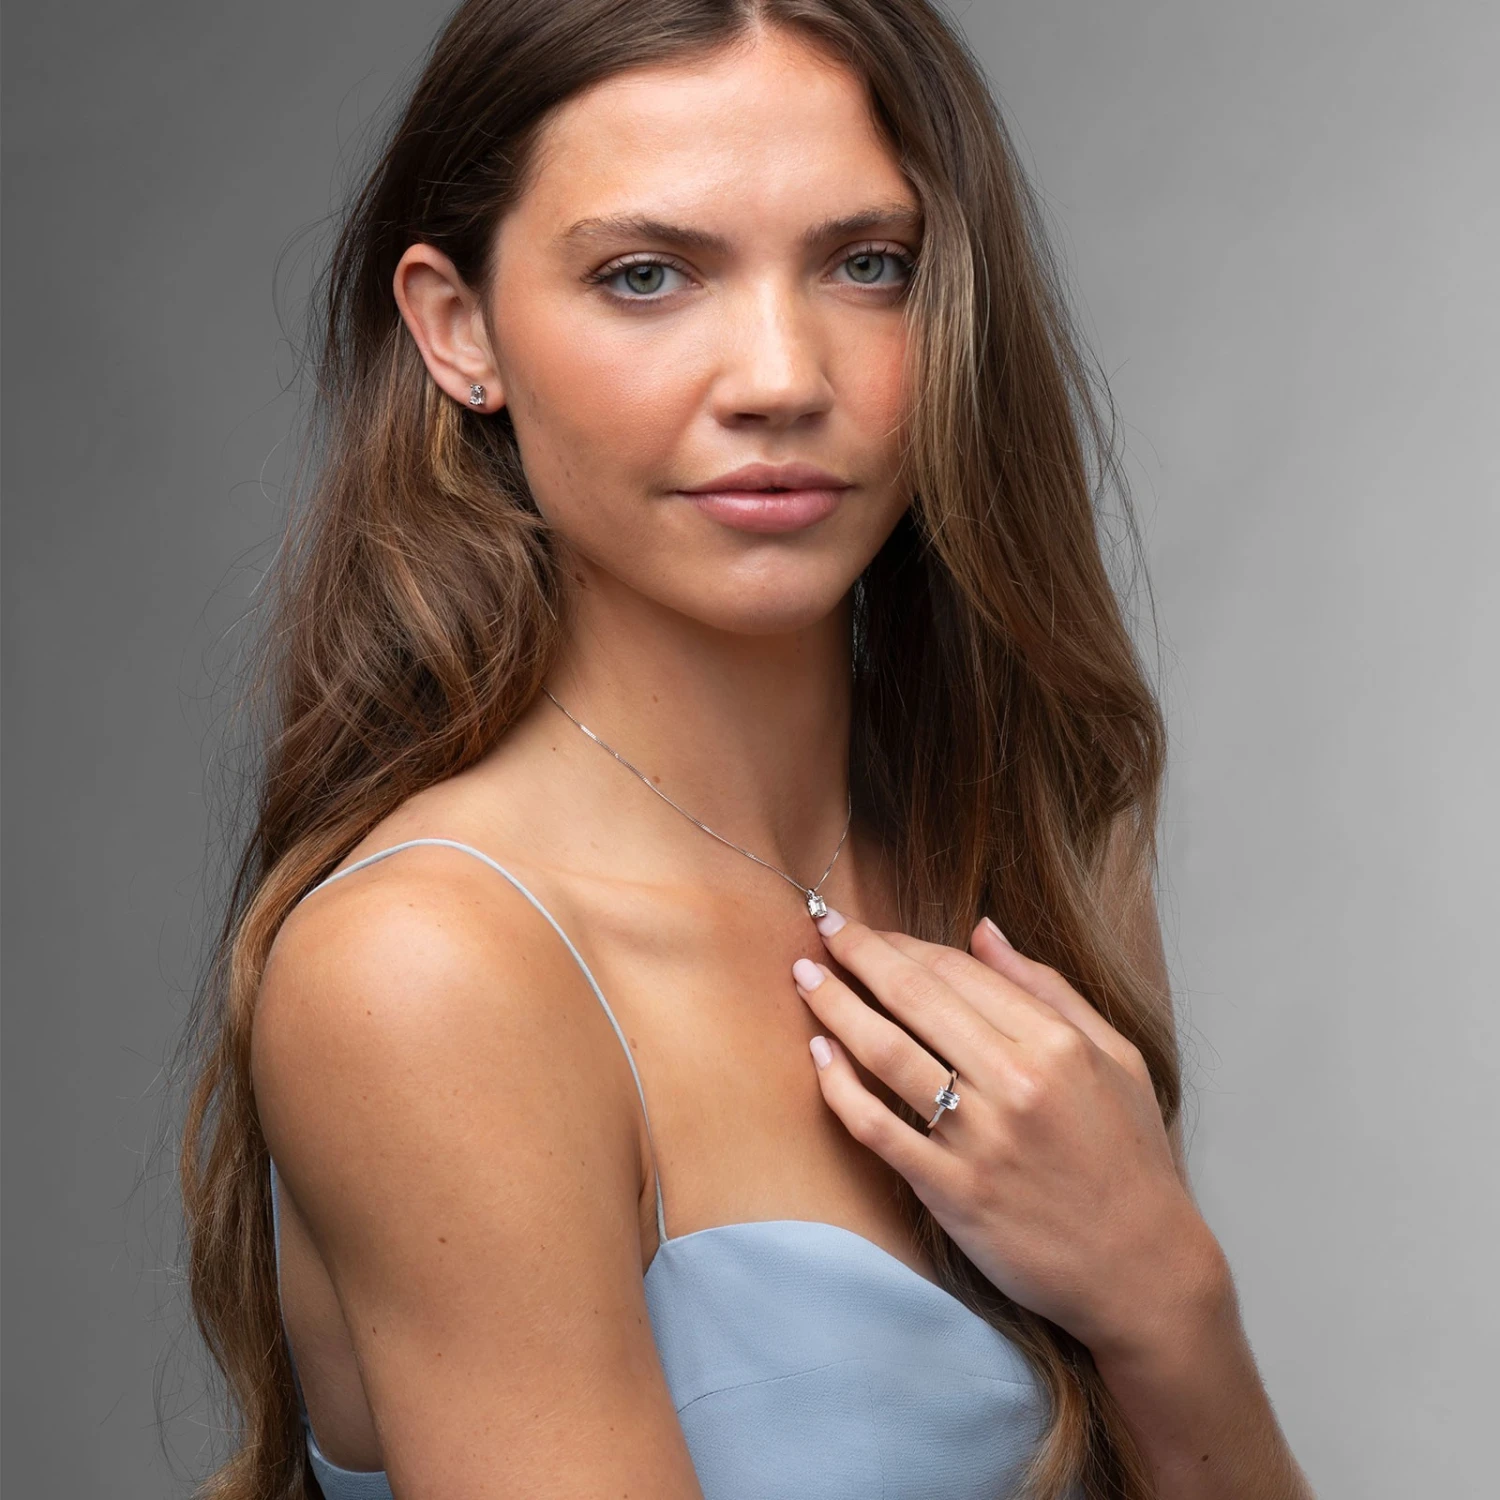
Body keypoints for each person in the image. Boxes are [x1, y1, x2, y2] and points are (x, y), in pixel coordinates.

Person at [179, 1, 1313, 1496]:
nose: (780, 376)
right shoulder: (435, 967)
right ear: (460, 329)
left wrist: (1171, 1304)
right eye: (646, 276)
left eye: (868, 264)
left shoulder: (1029, 855)